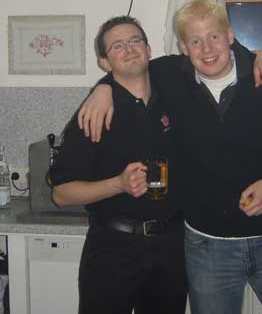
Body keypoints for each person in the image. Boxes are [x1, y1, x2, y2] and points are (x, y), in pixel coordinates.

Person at [78, 0, 262, 314]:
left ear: (230, 36)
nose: (206, 49)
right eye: (195, 40)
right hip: (207, 245)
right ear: (183, 47)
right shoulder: (170, 76)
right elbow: (128, 67)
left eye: (214, 37)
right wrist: (102, 89)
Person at [50, 16, 187, 314]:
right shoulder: (93, 115)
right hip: (113, 250)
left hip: (172, 248)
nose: (129, 49)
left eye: (135, 41)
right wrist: (118, 184)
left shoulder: (173, 92)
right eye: (117, 46)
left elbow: (215, 52)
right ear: (105, 62)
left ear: (148, 50)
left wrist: (261, 58)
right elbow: (61, 194)